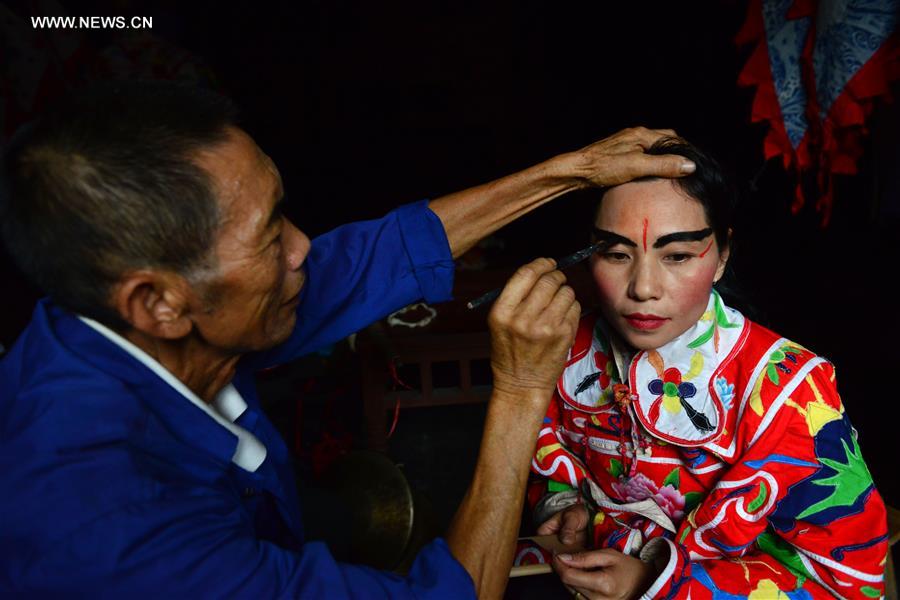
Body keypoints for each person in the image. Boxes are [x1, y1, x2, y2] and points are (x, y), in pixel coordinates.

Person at [0, 80, 693, 598]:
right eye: (272, 237)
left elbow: (375, 256)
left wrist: (570, 171)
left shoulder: (125, 322)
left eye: (682, 252)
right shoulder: (114, 535)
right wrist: (518, 391)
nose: (304, 248)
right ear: (157, 302)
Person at [528, 138, 889, 599]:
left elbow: (846, 585)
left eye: (677, 255)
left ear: (722, 256)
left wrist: (653, 584)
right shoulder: (564, 350)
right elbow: (546, 456)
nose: (643, 288)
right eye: (616, 254)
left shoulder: (790, 390)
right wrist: (566, 506)